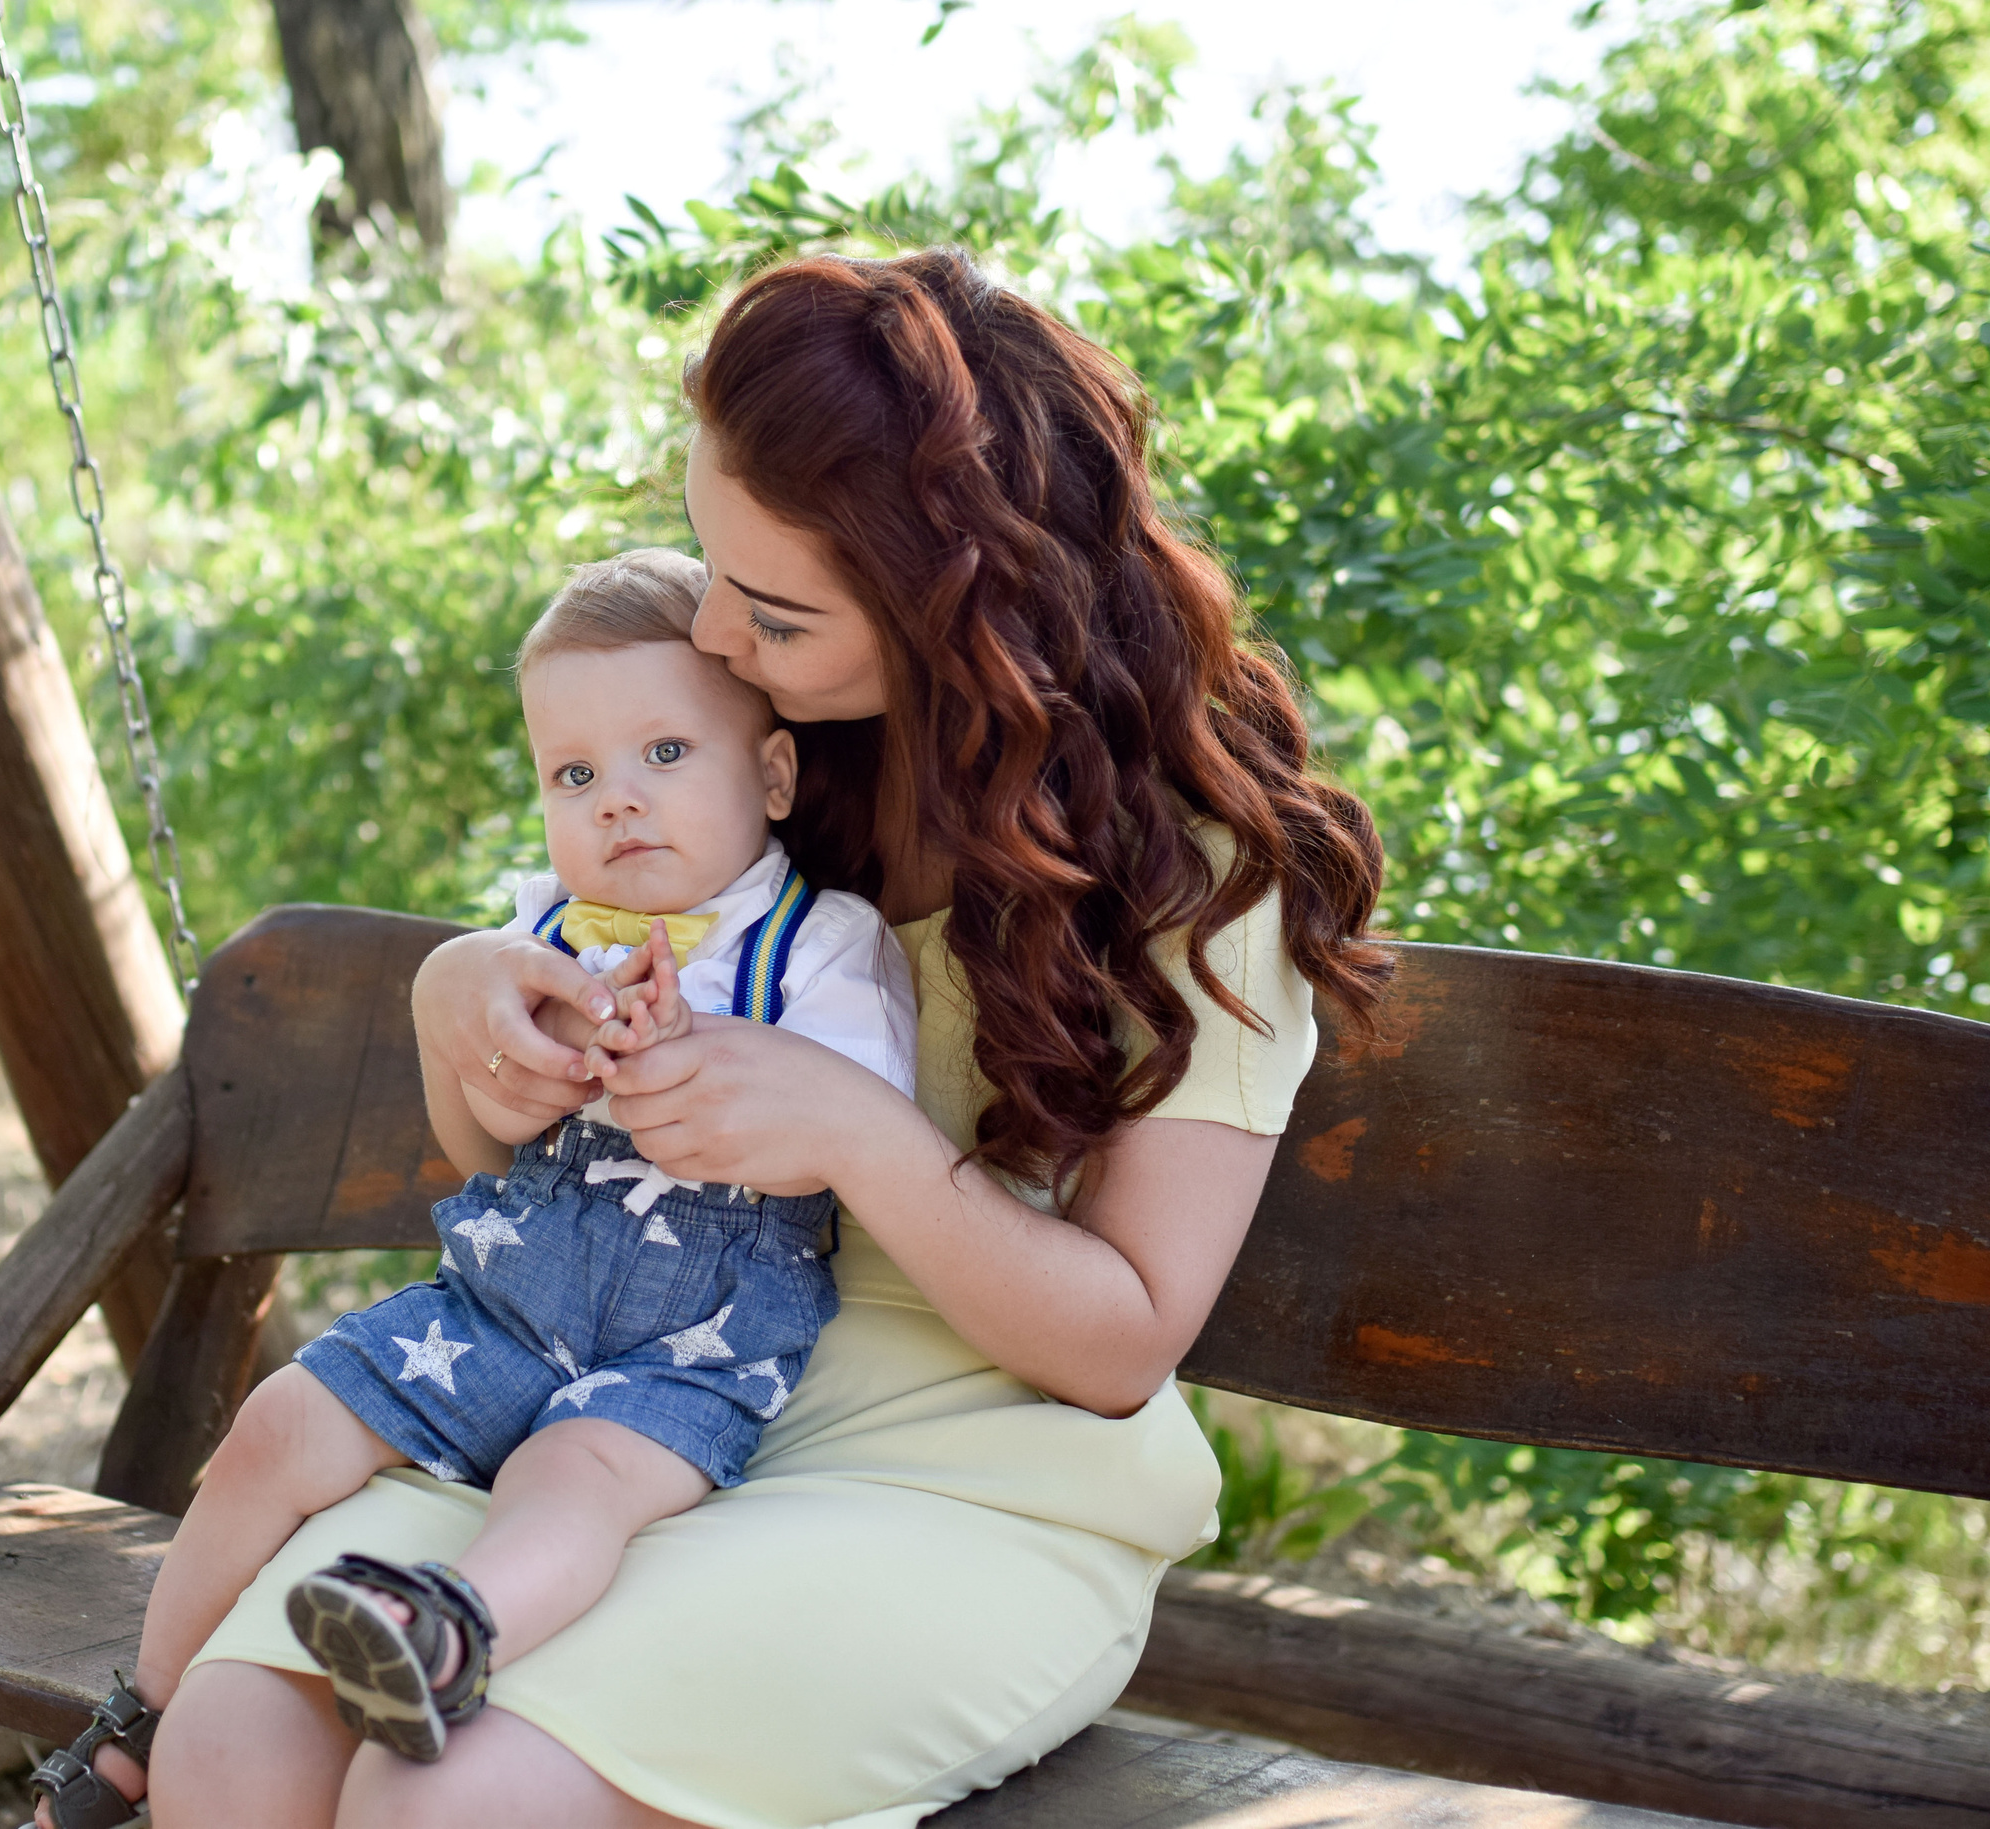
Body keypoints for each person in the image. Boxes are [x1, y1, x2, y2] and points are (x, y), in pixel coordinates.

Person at [70, 245, 1389, 1829]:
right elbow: (513, 1140)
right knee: (230, 1756)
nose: (710, 623)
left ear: (955, 608)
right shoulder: (772, 762)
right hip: (611, 1411)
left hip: (965, 1486)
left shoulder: (1191, 877)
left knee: (452, 1805)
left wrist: (851, 1132)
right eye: (709, 563)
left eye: (769, 608)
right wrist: (463, 1000)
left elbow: (1122, 1343)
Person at [24, 551, 915, 1826]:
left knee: (577, 1477)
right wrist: (527, 1069)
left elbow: (847, 1140)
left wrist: (682, 1060)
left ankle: (452, 1632)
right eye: (575, 773)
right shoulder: (541, 929)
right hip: (499, 1309)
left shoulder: (818, 945)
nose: (619, 802)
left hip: (692, 1345)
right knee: (279, 1420)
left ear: (771, 772)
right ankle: (140, 1717)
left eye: (665, 752)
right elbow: (488, 1130)